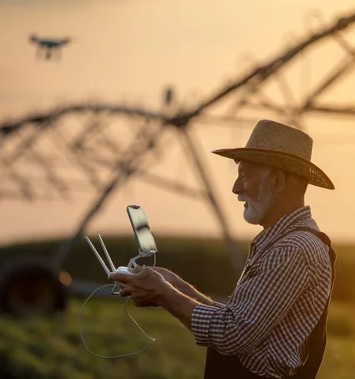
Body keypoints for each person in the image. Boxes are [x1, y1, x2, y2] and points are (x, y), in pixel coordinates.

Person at [109, 119, 337, 379]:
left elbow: (232, 335)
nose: (236, 188)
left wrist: (163, 294)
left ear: (277, 181)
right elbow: (238, 321)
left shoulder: (293, 249)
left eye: (245, 176)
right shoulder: (285, 242)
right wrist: (173, 285)